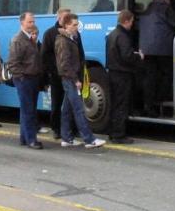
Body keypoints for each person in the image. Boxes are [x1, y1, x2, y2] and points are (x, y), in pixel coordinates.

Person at [55, 13, 105, 149]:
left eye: (77, 24)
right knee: (79, 109)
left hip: (71, 78)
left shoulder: (72, 38)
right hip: (70, 78)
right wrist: (76, 79)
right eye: (74, 25)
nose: (77, 27)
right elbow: (64, 64)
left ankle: (66, 138)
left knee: (67, 109)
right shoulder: (63, 41)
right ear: (66, 25)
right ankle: (89, 139)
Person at [138, 0, 175, 117]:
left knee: (149, 77)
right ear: (166, 0)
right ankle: (161, 99)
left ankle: (148, 105)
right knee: (167, 73)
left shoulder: (147, 9)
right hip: (162, 49)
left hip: (146, 49)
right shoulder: (165, 9)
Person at [41, 8, 84, 139]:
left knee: (72, 103)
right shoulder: (50, 34)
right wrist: (53, 71)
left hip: (71, 75)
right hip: (57, 75)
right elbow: (45, 55)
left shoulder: (75, 34)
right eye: (66, 17)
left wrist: (80, 69)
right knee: (57, 103)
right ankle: (56, 128)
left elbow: (80, 52)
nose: (69, 20)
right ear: (59, 18)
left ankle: (72, 129)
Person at [106, 10, 143, 144]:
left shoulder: (112, 34)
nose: (133, 24)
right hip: (122, 75)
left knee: (114, 103)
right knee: (121, 104)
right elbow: (127, 56)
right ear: (126, 21)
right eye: (132, 21)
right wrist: (139, 56)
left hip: (112, 73)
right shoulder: (123, 36)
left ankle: (112, 132)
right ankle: (119, 135)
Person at [8, 12, 43, 149]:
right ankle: (31, 140)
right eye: (29, 22)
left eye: (33, 21)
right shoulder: (18, 40)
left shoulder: (31, 40)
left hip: (33, 78)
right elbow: (13, 63)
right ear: (22, 23)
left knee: (28, 109)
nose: (32, 24)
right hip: (24, 79)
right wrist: (21, 77)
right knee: (28, 110)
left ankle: (24, 137)